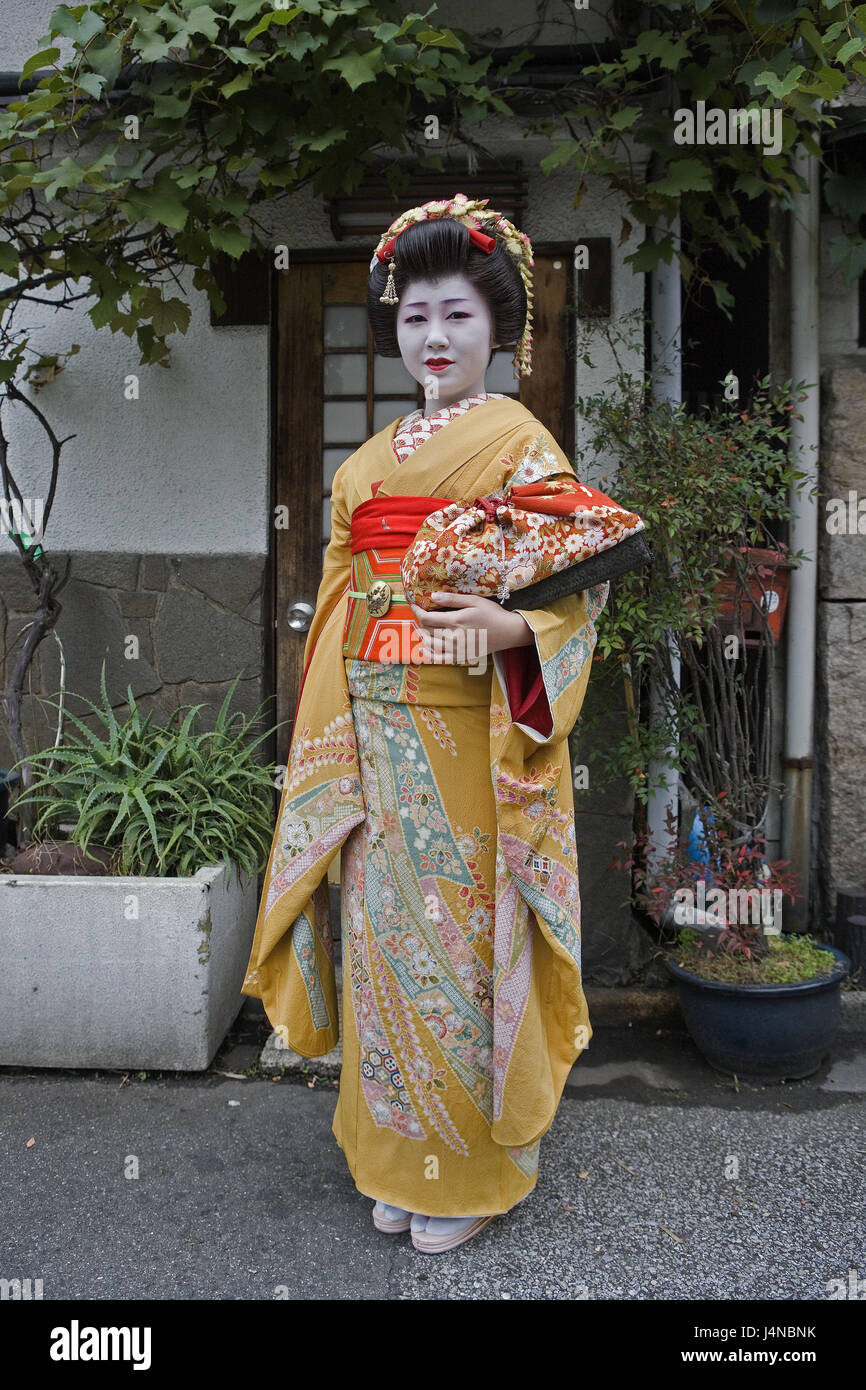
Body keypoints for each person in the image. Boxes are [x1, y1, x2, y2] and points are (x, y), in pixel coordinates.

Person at [242, 193, 610, 1254]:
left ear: (500, 328)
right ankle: (395, 1161)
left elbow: (573, 591)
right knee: (381, 950)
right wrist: (337, 714)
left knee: (457, 952)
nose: (432, 338)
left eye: (454, 315)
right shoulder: (368, 459)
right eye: (411, 317)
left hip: (474, 742)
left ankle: (468, 1178)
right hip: (374, 729)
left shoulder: (523, 444)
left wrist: (508, 625)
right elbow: (342, 588)